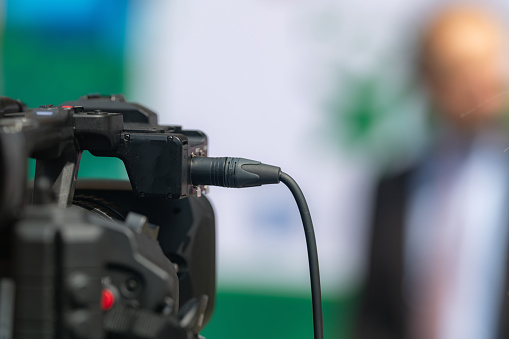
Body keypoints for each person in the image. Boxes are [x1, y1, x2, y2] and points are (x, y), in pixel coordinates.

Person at [355, 5, 509, 339]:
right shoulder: (394, 187)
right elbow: (374, 311)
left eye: (487, 64)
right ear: (428, 79)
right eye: (461, 69)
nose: (479, 83)